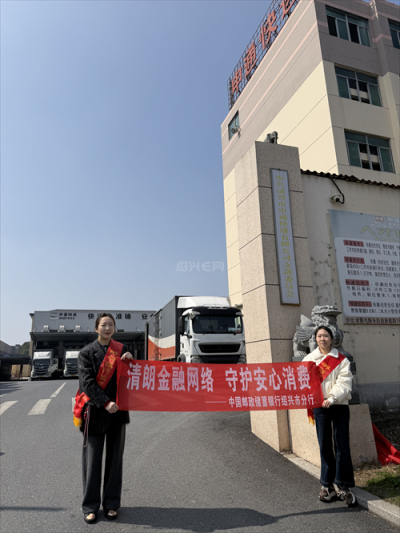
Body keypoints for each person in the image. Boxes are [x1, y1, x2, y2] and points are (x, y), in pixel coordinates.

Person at [76, 313, 133, 524]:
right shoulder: (86, 353)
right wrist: (105, 402)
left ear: (114, 328)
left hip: (118, 412)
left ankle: (111, 504)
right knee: (92, 462)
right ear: (96, 328)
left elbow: (131, 378)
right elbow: (87, 383)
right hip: (95, 412)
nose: (107, 328)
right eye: (104, 325)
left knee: (115, 461)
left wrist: (130, 363)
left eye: (111, 325)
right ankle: (90, 506)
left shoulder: (122, 350)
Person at [303, 325, 356, 506]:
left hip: (339, 405)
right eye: (319, 336)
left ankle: (343, 485)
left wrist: (332, 398)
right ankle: (327, 485)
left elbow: (345, 381)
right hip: (320, 407)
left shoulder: (341, 360)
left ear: (332, 339)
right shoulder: (309, 359)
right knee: (324, 445)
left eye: (325, 335)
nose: (322, 339)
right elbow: (303, 381)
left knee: (342, 445)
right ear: (315, 339)